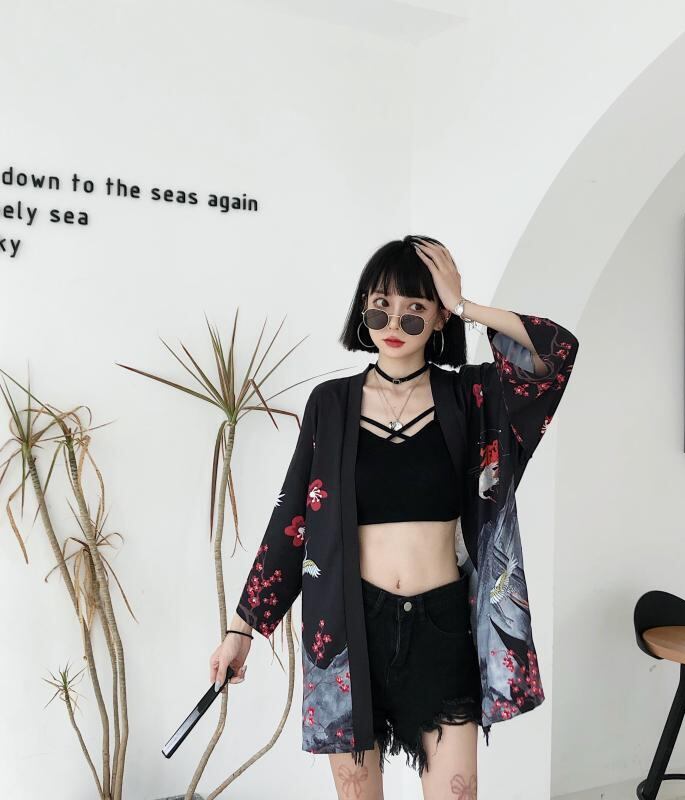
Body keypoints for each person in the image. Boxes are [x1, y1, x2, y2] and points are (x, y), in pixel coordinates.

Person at [209, 234, 579, 799]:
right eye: (381, 305)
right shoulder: (331, 404)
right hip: (348, 631)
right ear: (364, 307)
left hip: (442, 628)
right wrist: (241, 631)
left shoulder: (472, 396)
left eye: (415, 310)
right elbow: (292, 522)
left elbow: (556, 354)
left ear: (438, 319)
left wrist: (466, 305)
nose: (394, 323)